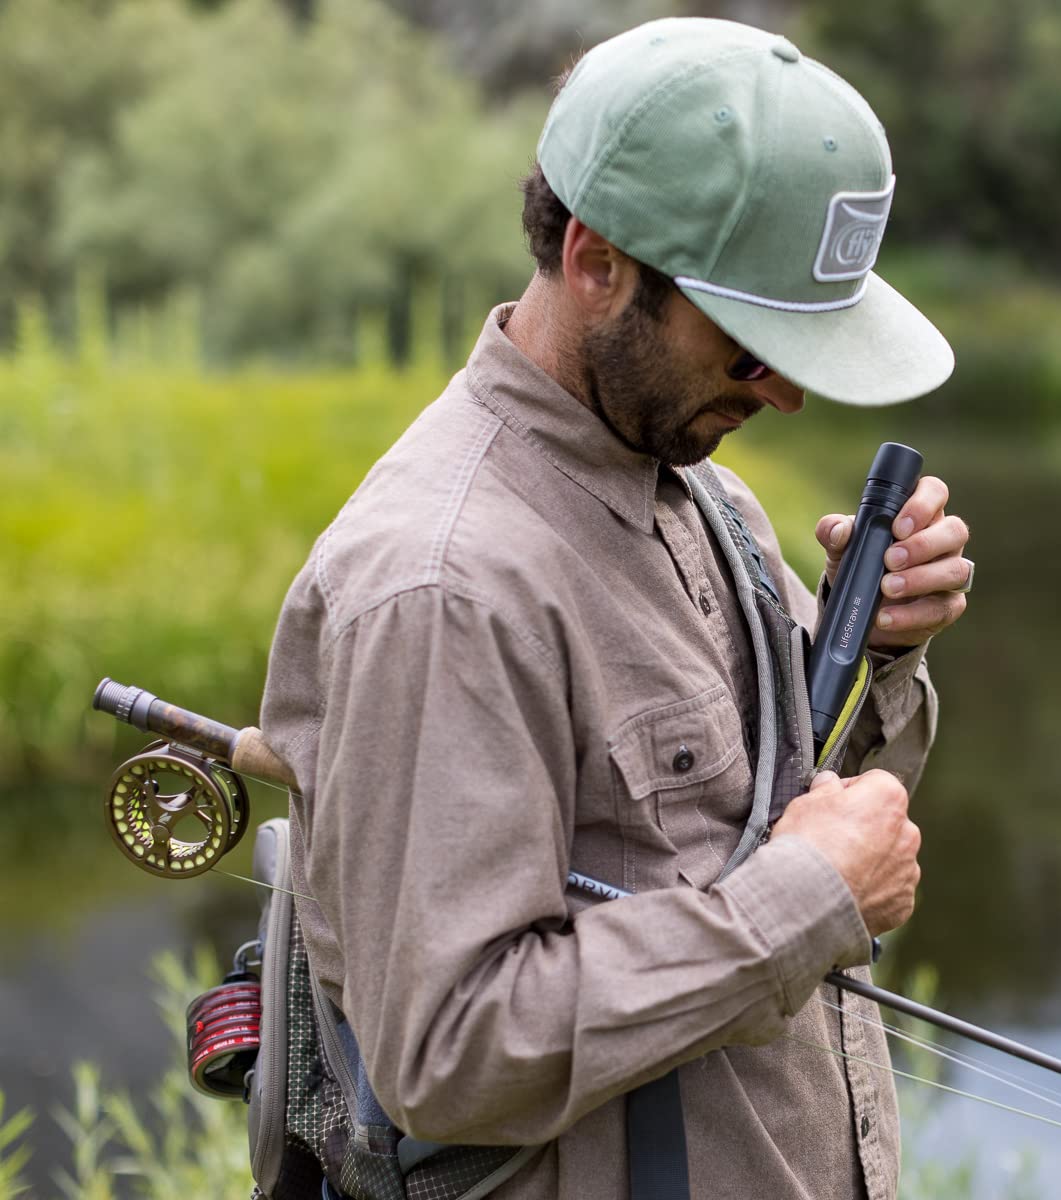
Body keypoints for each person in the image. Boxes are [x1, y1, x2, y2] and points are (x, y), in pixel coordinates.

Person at [257, 16, 972, 1200]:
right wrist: (804, 904)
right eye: (749, 345)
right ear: (596, 262)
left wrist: (884, 648)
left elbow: (791, 816)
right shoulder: (442, 589)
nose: (785, 393)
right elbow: (447, 1054)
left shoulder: (710, 499)